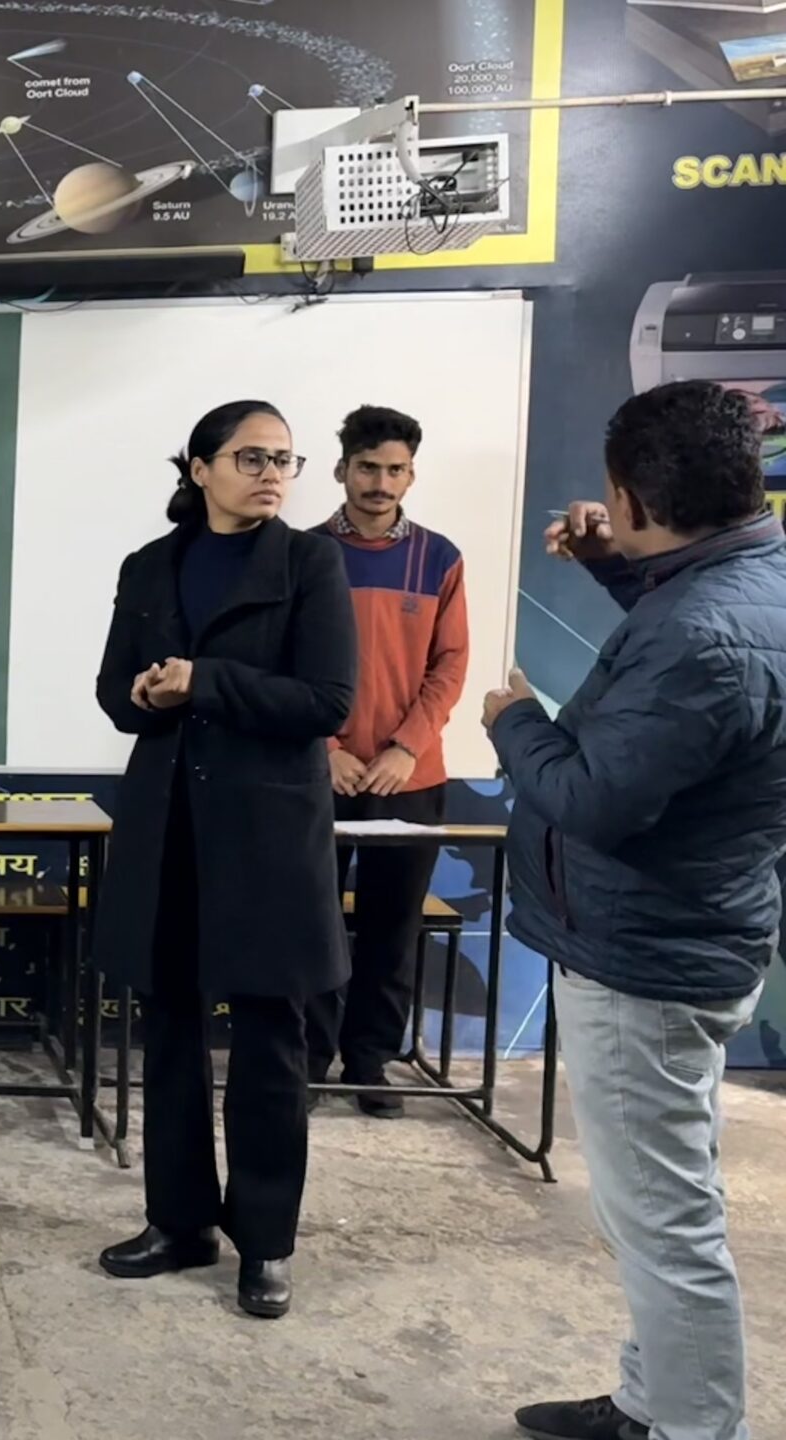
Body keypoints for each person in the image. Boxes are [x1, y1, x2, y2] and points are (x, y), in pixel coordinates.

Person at [490, 381, 786, 1440]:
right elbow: (688, 688)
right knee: (663, 1205)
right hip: (686, 935)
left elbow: (592, 801)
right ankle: (650, 1401)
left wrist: (514, 721)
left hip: (644, 959)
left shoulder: (705, 630)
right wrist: (620, 564)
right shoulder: (747, 584)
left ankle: (693, 1427)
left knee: (664, 1226)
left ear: (630, 495)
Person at [91, 399, 357, 1320]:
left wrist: (204, 681)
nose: (273, 473)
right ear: (200, 468)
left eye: (285, 459)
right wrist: (143, 691)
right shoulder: (148, 566)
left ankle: (266, 1242)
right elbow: (112, 694)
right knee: (167, 1030)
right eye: (252, 457)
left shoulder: (310, 563)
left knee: (271, 1041)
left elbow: (327, 701)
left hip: (269, 835)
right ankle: (178, 1222)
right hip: (168, 824)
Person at [304, 405, 469, 1116]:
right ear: (342, 469)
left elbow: (450, 664)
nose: (380, 482)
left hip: (411, 777)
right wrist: (325, 749)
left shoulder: (440, 559)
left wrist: (406, 747)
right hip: (317, 775)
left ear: (411, 475)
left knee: (393, 928)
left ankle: (369, 1060)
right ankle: (307, 1059)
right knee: (310, 924)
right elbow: (280, 661)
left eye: (394, 469)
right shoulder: (302, 554)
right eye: (367, 467)